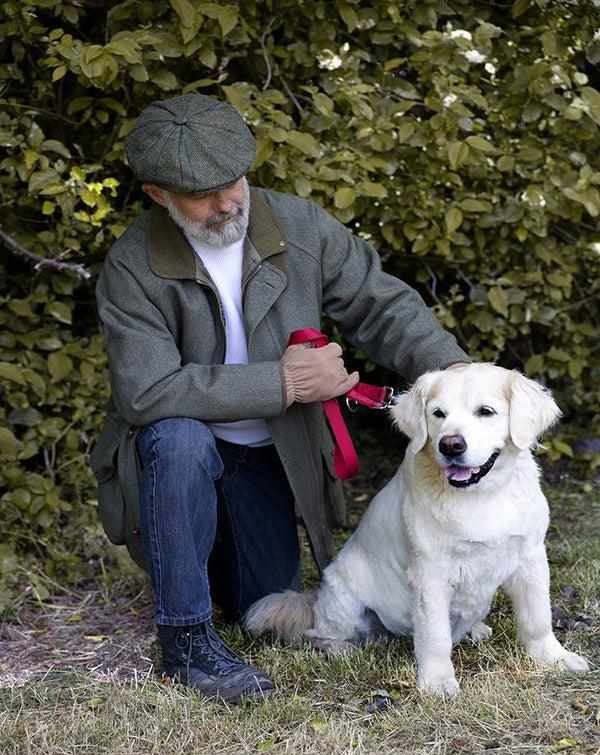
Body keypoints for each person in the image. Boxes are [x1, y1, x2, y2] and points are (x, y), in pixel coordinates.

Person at [91, 93, 470, 704]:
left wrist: (455, 372)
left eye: (234, 181)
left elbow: (379, 303)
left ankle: (200, 571)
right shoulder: (131, 265)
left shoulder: (297, 224)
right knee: (176, 436)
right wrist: (286, 382)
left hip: (271, 455)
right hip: (183, 456)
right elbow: (147, 391)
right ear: (157, 194)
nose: (228, 202)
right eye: (203, 193)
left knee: (260, 609)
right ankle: (184, 638)